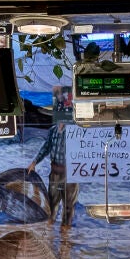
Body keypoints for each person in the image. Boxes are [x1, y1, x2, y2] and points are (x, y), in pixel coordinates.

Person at [28, 85, 80, 232]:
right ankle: (50, 233)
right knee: (52, 203)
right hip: (55, 172)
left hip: (71, 173)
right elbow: (46, 147)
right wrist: (34, 162)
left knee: (69, 205)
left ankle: (65, 236)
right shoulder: (53, 130)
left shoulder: (76, 131)